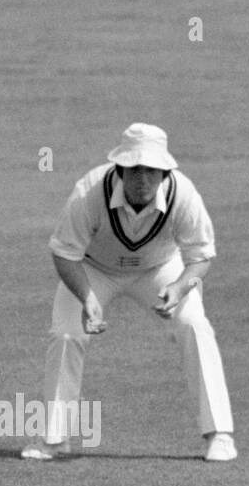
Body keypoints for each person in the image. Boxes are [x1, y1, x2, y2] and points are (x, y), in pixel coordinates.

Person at [21, 122, 236, 462]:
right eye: (134, 170)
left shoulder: (185, 194)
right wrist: (88, 299)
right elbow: (64, 252)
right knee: (66, 333)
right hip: (92, 269)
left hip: (160, 269)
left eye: (151, 171)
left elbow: (200, 256)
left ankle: (219, 434)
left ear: (165, 173)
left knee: (194, 324)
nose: (142, 180)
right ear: (119, 169)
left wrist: (179, 289)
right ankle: (54, 438)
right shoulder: (89, 191)